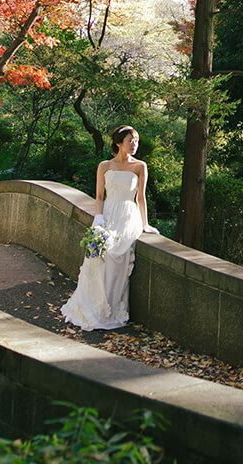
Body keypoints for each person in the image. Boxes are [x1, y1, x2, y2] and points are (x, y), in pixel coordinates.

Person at [62, 125, 159, 331]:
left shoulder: (140, 166)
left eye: (136, 141)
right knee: (97, 259)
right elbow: (99, 196)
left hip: (128, 215)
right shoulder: (104, 166)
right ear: (118, 144)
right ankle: (92, 306)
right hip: (108, 212)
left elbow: (141, 198)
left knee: (117, 259)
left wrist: (145, 223)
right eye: (130, 141)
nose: (134, 145)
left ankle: (112, 308)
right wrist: (98, 218)